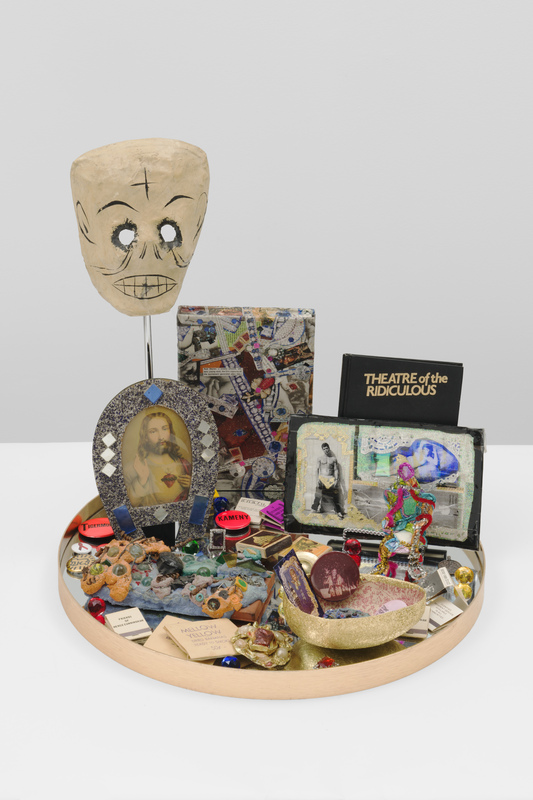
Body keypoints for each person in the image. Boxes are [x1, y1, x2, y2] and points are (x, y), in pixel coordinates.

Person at [124, 411, 192, 508]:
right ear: (145, 437)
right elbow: (128, 507)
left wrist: (192, 486)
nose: (161, 437)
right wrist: (141, 480)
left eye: (164, 429)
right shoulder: (133, 468)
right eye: (153, 431)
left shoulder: (184, 465)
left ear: (170, 431)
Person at [311, 442, 345, 519]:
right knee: (318, 495)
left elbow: (336, 470)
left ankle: (338, 511)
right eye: (324, 449)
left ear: (329, 448)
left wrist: (336, 479)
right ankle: (314, 509)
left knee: (335, 496)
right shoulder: (320, 458)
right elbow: (317, 469)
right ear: (322, 450)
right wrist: (317, 479)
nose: (326, 450)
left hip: (331, 479)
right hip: (322, 478)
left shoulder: (333, 459)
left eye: (327, 448)